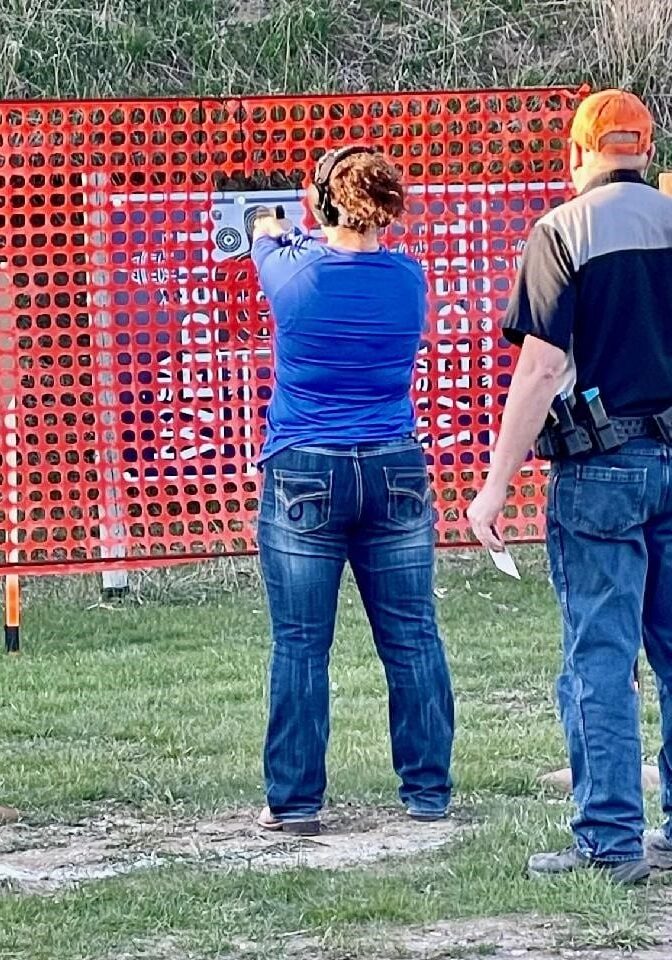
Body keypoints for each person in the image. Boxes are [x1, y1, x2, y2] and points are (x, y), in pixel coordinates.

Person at [467, 89, 672, 884]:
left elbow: (544, 366)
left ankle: (610, 841)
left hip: (600, 469)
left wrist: (494, 486)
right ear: (644, 150)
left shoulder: (560, 232)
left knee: (599, 657)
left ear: (578, 153)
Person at [250, 146, 454, 835]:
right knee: (412, 636)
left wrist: (284, 227)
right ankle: (427, 791)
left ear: (322, 202)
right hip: (395, 463)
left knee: (302, 642)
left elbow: (265, 239)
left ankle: (297, 802)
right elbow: (352, 254)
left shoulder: (293, 271)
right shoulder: (408, 279)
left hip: (305, 465)